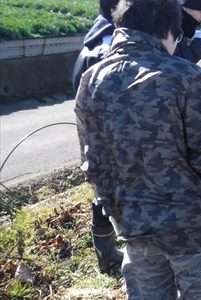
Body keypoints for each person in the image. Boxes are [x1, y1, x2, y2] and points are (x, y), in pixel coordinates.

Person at [74, 0, 201, 298]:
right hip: (191, 231)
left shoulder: (92, 80)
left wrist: (118, 215)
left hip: (135, 228)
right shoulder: (185, 77)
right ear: (168, 29)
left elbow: (94, 165)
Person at [71, 0, 123, 275]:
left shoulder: (93, 40)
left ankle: (106, 253)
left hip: (95, 133)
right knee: (107, 196)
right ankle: (107, 255)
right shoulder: (107, 47)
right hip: (108, 134)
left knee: (102, 193)